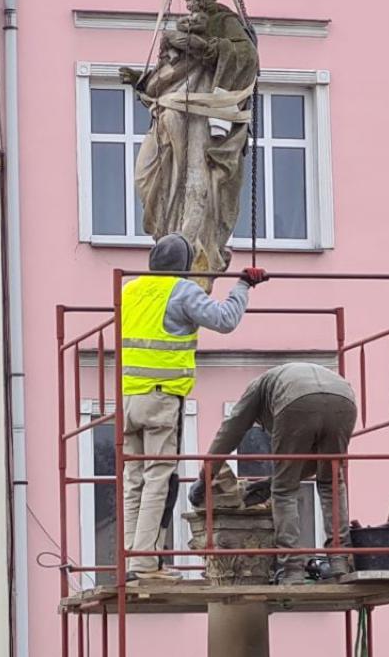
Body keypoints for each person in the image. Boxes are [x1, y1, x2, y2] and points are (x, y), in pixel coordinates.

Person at [122, 233, 268, 581]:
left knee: (133, 481)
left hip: (128, 397)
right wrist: (243, 285)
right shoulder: (181, 290)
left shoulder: (130, 290)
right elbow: (225, 320)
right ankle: (144, 563)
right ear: (184, 267)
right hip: (161, 397)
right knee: (158, 477)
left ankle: (130, 559)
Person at [191, 362, 357, 584]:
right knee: (331, 481)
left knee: (284, 491)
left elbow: (230, 432)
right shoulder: (276, 382)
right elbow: (312, 462)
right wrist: (270, 481)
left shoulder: (255, 391)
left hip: (295, 400)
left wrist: (206, 476)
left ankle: (291, 568)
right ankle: (339, 560)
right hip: (344, 399)